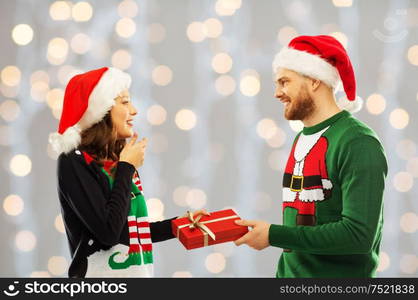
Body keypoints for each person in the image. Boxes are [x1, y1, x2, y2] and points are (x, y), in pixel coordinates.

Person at [234, 35, 388, 278]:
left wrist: (274, 234)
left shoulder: (357, 142)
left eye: (284, 82)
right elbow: (301, 229)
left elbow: (358, 236)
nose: (277, 93)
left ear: (315, 80)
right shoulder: (302, 138)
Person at [49, 67, 207, 277]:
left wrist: (178, 225)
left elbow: (129, 232)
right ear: (102, 110)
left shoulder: (119, 162)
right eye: (124, 102)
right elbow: (108, 233)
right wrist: (127, 167)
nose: (134, 110)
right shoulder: (74, 161)